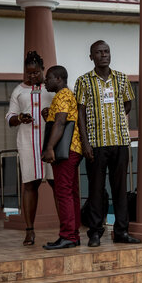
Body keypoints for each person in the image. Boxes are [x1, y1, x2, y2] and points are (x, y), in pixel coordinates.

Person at [75, 40, 141, 247]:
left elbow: (127, 104)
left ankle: (121, 231)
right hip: (95, 144)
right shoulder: (83, 81)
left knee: (120, 189)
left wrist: (114, 119)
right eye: (99, 52)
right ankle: (95, 233)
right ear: (91, 57)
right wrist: (85, 143)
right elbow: (80, 113)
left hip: (120, 142)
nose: (104, 55)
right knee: (96, 190)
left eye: (106, 51)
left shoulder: (122, 79)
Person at [6, 51, 54, 246]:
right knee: (30, 184)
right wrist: (20, 118)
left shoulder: (52, 87)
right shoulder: (19, 90)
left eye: (35, 72)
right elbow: (10, 115)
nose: (32, 76)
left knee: (56, 184)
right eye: (29, 73)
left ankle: (67, 230)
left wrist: (51, 113)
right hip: (27, 143)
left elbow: (67, 110)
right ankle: (29, 231)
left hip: (51, 141)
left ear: (43, 69)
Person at [42, 66, 83, 250]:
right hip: (73, 149)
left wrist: (49, 147)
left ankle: (67, 236)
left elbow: (60, 123)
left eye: (48, 78)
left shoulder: (63, 95)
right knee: (71, 193)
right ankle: (73, 235)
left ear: (58, 79)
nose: (45, 81)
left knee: (63, 193)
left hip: (65, 151)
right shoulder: (65, 96)